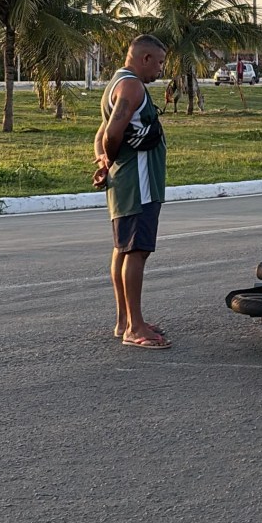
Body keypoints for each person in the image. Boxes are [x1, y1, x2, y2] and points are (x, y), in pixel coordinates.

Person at [93, 35, 170, 348]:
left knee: (123, 250)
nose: (161, 70)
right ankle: (134, 328)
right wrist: (110, 159)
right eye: (160, 62)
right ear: (145, 58)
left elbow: (101, 135)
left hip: (126, 182)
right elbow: (112, 133)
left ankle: (125, 320)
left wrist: (102, 161)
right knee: (136, 252)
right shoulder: (133, 86)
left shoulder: (118, 82)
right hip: (138, 184)